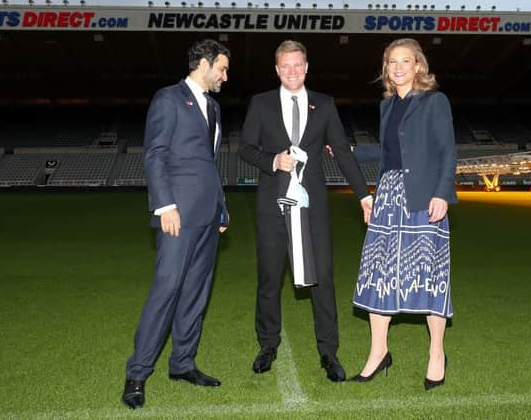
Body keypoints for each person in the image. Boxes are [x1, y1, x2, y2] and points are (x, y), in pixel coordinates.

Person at [239, 40, 373, 382]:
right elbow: (245, 148)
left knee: (323, 279)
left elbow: (341, 151)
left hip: (312, 208)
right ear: (277, 69)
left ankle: (329, 352)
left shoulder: (325, 105)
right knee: (269, 279)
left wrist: (364, 195)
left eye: (297, 65)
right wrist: (273, 161)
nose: (292, 71)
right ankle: (267, 345)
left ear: (307, 67)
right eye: (285, 66)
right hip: (272, 206)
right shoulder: (260, 103)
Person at [122, 39, 230, 409]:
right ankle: (137, 373)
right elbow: (154, 154)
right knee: (166, 291)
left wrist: (222, 209)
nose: (225, 76)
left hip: (207, 216)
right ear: (204, 63)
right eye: (223, 68)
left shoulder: (214, 107)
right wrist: (164, 205)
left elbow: (210, 165)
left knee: (196, 294)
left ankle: (182, 363)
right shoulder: (168, 99)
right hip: (177, 216)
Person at [349, 38, 457, 390]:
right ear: (386, 68)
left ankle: (436, 354)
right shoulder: (386, 106)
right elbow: (389, 153)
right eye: (392, 61)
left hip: (423, 197)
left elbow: (446, 151)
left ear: (418, 66)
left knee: (429, 275)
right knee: (378, 273)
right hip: (388, 195)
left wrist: (441, 194)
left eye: (405, 61)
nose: (398, 67)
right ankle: (378, 353)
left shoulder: (434, 101)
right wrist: (349, 149)